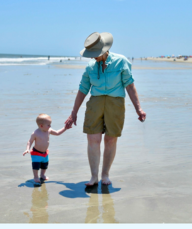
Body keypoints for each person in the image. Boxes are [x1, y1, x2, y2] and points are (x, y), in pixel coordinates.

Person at [65, 32, 146, 186]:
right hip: (95, 104)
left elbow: (129, 85)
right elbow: (83, 90)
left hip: (115, 104)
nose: (92, 57)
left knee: (110, 139)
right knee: (93, 139)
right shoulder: (90, 67)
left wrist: (138, 108)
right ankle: (94, 176)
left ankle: (105, 175)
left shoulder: (121, 62)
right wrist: (73, 113)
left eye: (95, 54)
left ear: (104, 50)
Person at [23, 114, 70, 184]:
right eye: (48, 125)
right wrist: (27, 149)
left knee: (44, 165)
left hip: (45, 153)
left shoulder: (49, 130)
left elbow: (57, 133)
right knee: (36, 166)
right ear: (41, 125)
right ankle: (35, 176)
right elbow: (30, 141)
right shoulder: (35, 133)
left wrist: (65, 128)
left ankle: (42, 175)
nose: (50, 126)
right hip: (36, 153)